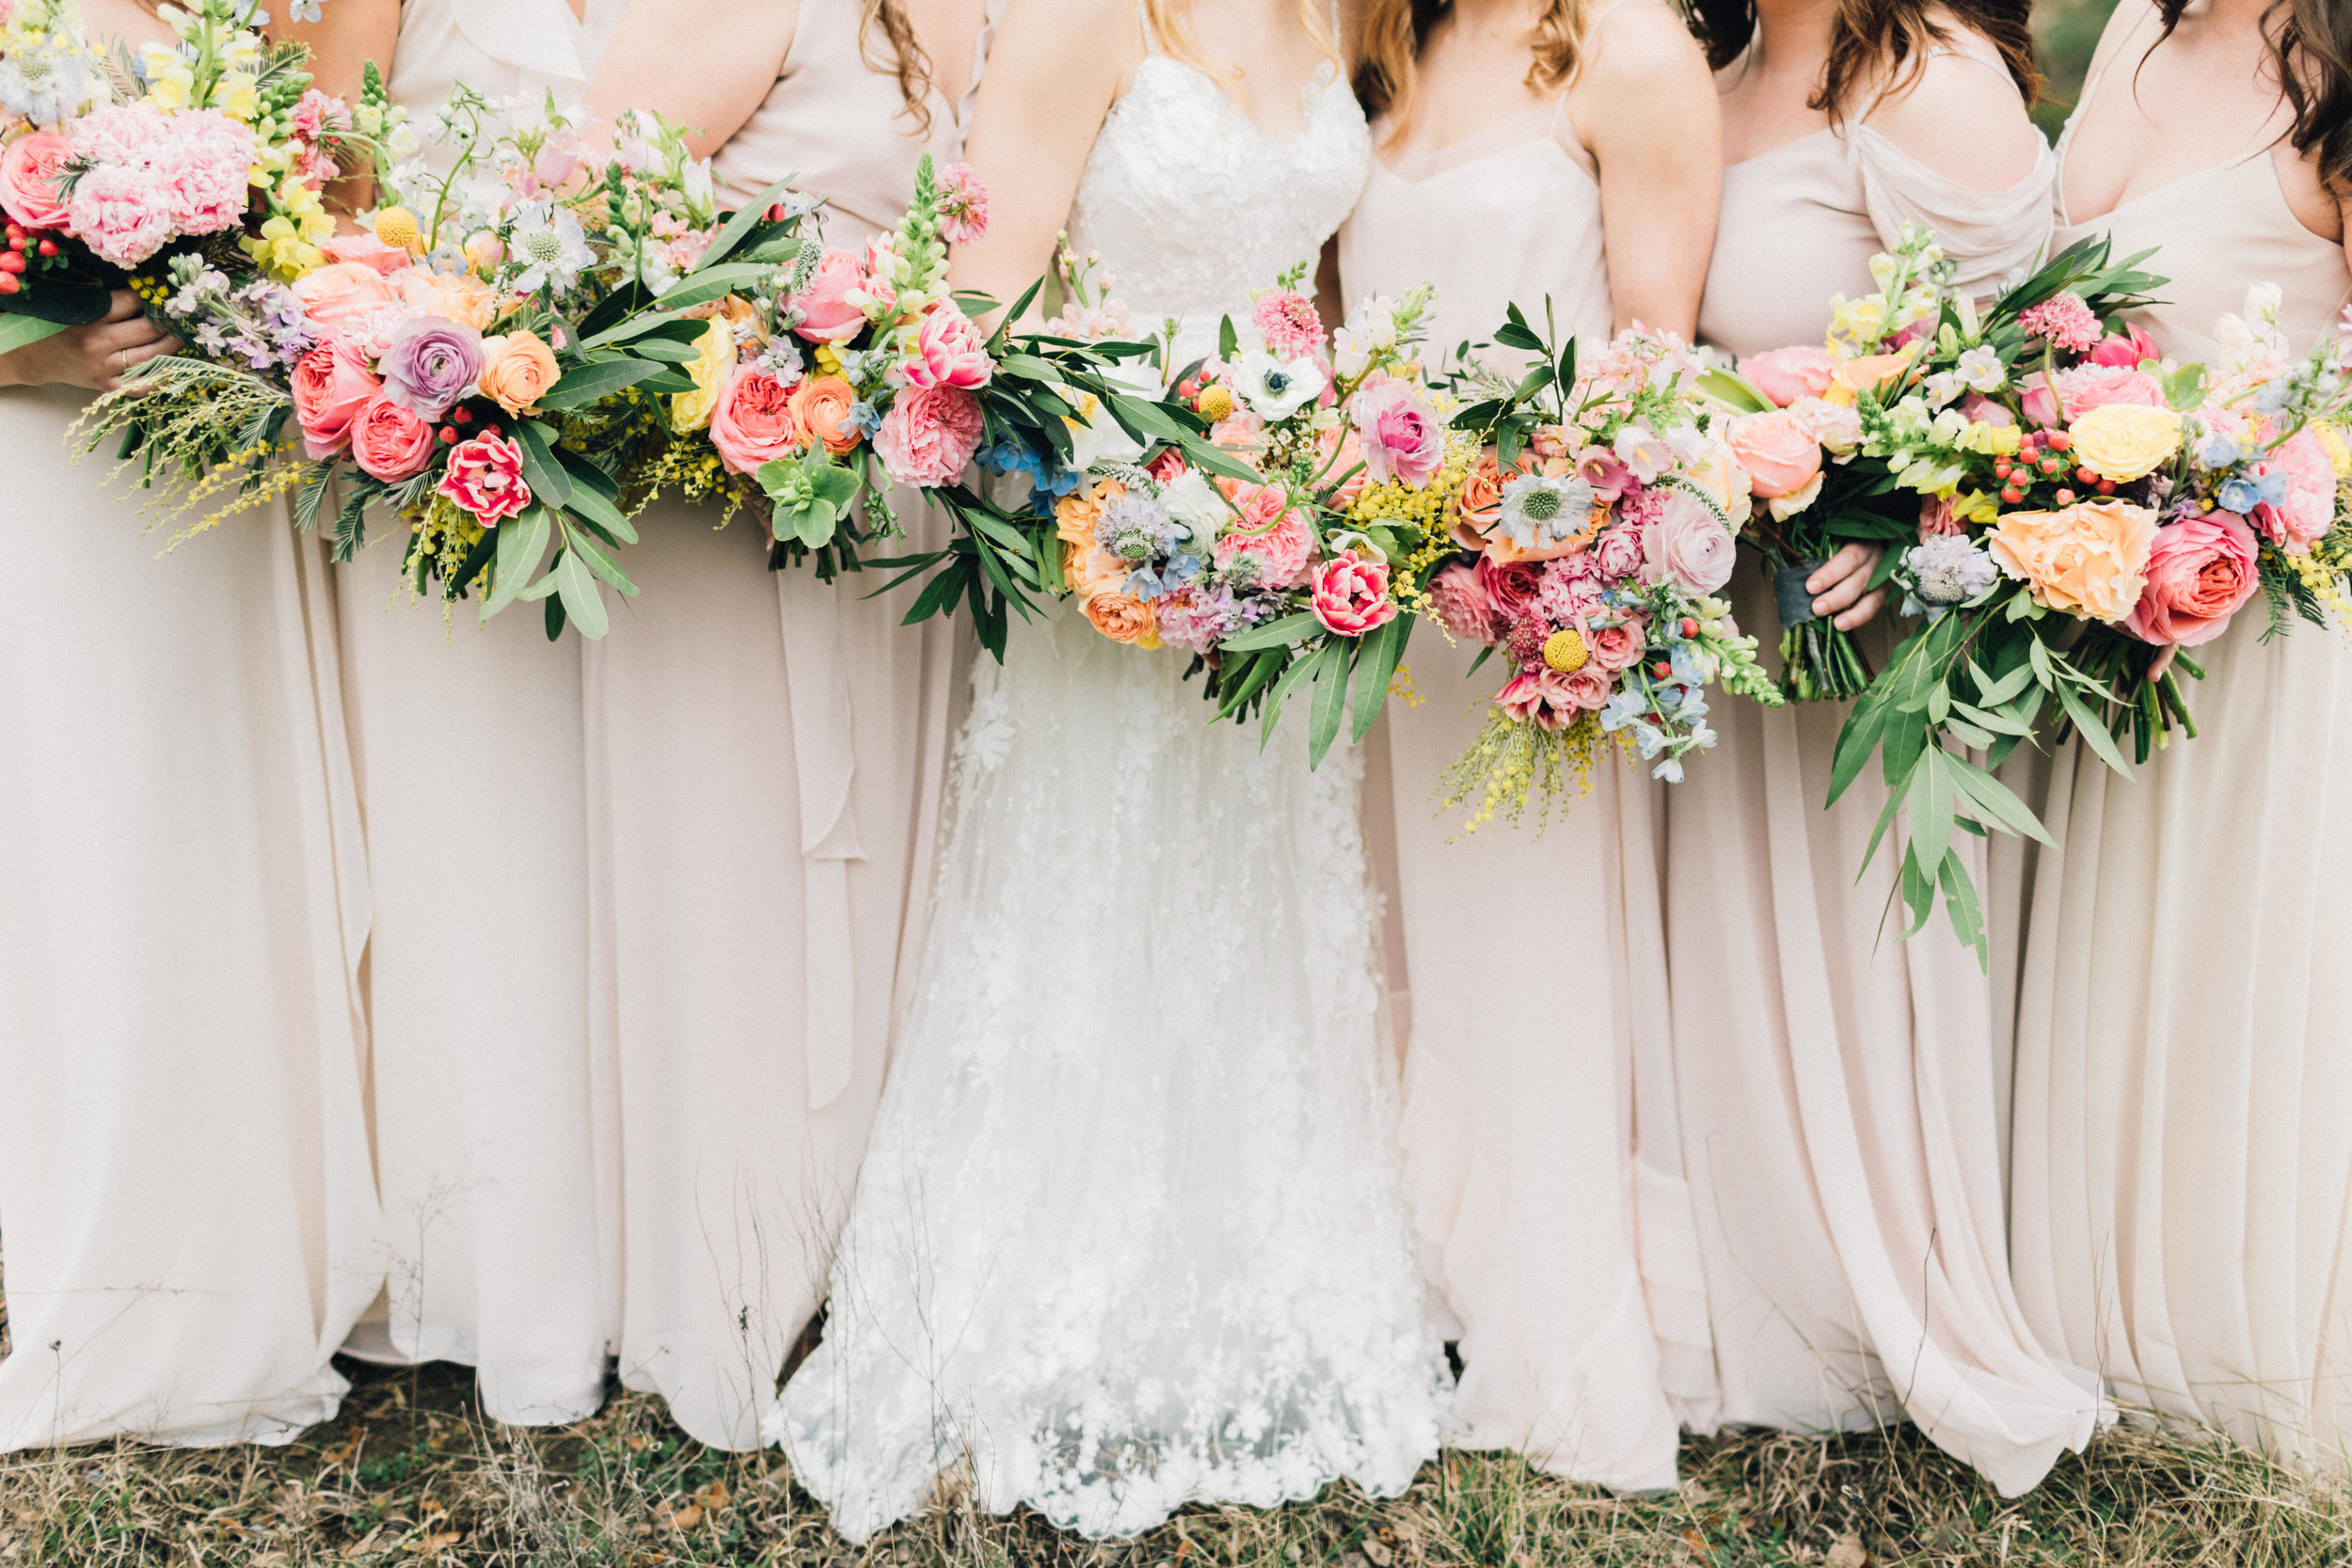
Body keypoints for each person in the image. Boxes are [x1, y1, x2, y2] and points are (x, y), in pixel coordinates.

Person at [770, 0, 1450, 1537]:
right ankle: (1028, 1322)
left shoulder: (1329, 11)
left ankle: (1253, 1289)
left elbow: (1306, 288)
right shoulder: (1085, 15)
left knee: (1251, 909)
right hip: (1113, 535)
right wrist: (1130, 494)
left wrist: (1326, 471)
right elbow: (977, 320)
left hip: (1286, 551)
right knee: (1093, 896)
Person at [1660, 0, 2105, 1495]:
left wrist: (1916, 539)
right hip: (1742, 618)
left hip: (1887, 649)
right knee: (1730, 949)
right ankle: (1751, 1288)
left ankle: (1884, 1304)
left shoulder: (1931, 77)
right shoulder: (1713, 66)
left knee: (1869, 966)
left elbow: (2045, 377)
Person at [570, 0, 990, 1449]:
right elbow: (576, 210)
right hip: (731, 501)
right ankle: (723, 1280)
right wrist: (751, 362)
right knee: (740, 882)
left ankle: (847, 1259)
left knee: (875, 879)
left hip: (896, 510)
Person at [1337, 0, 1715, 1490]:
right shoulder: (1384, 40)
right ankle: (1414, 1282)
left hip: (1528, 609)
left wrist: (1545, 562)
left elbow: (1658, 370)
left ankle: (1546, 1319)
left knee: (1529, 952)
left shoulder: (1633, 48)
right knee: (1389, 934)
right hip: (1370, 603)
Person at [0, 0, 380, 1449]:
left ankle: (278, 1249)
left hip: (219, 479)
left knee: (232, 851)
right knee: (109, 859)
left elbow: (333, 192)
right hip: (60, 476)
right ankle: (139, 1280)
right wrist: (45, 359)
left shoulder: (224, 14)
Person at [2009, 0, 2352, 1471]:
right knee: (2121, 932)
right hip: (2113, 602)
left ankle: (2232, 1330)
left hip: (2276, 618)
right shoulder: (2141, 31)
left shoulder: (2340, 71)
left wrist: (2237, 497)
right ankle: (2080, 1305)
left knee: (2237, 951)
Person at [285, 0, 629, 1427]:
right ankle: (473, 1269)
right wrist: (426, 348)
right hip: (420, 458)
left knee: (580, 858)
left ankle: (613, 1254)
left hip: (595, 454)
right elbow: (325, 200)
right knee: (462, 851)